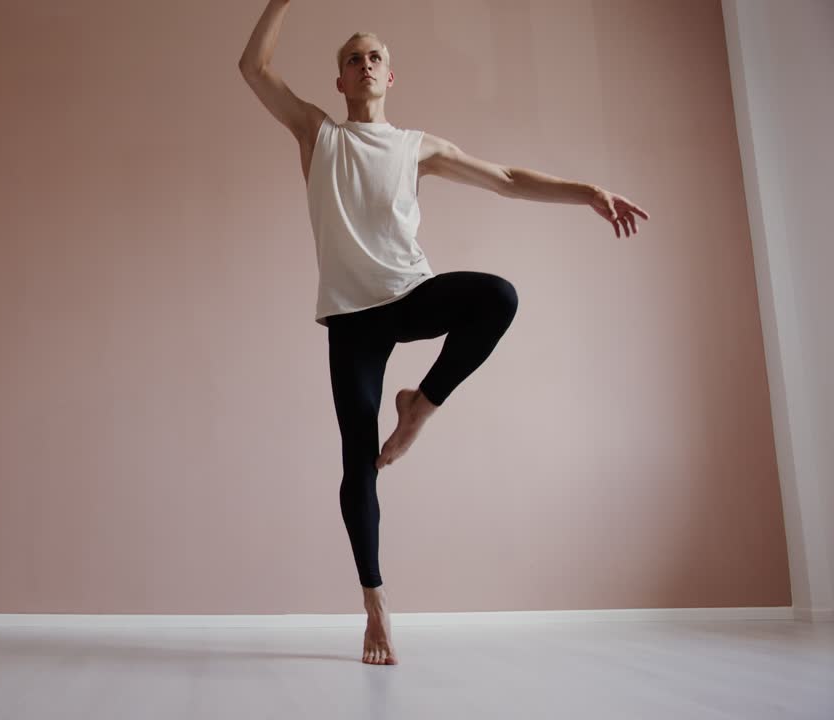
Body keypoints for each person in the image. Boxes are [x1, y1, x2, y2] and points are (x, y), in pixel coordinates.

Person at [237, 0, 650, 666]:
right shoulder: (319, 134)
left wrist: (587, 192)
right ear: (340, 81)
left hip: (410, 295)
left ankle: (419, 409)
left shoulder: (415, 146)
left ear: (389, 76)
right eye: (353, 58)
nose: (365, 64)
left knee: (497, 297)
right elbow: (253, 68)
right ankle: (375, 604)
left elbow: (507, 180)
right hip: (351, 319)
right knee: (356, 460)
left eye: (375, 57)